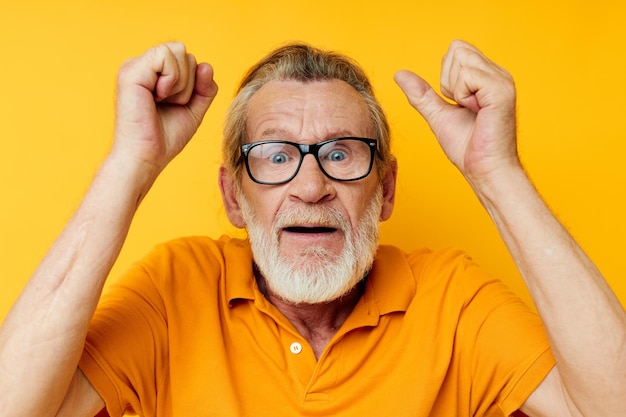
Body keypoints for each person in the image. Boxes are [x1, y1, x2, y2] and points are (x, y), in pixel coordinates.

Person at [0, 39, 624, 417]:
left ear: (386, 191)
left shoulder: (451, 300)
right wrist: (130, 164)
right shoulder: (174, 290)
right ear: (234, 198)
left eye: (342, 152)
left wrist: (497, 172)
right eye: (275, 156)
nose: (310, 185)